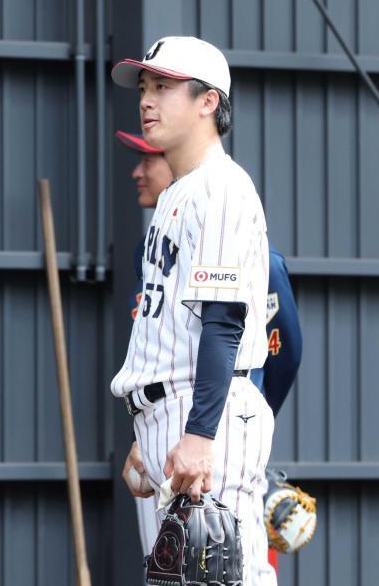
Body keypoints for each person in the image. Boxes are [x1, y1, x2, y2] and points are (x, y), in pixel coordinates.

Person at [109, 36, 276, 585]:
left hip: (207, 417)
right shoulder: (182, 193)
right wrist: (148, 430)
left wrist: (199, 435)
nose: (147, 100)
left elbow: (223, 323)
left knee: (229, 578)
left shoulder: (223, 190)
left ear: (209, 102)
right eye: (145, 87)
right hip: (172, 415)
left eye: (163, 87)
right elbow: (170, 326)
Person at [114, 130, 303, 564]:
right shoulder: (157, 240)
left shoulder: (238, 230)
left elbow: (283, 351)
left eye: (149, 159)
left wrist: (236, 423)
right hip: (167, 432)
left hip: (211, 431)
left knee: (227, 569)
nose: (137, 171)